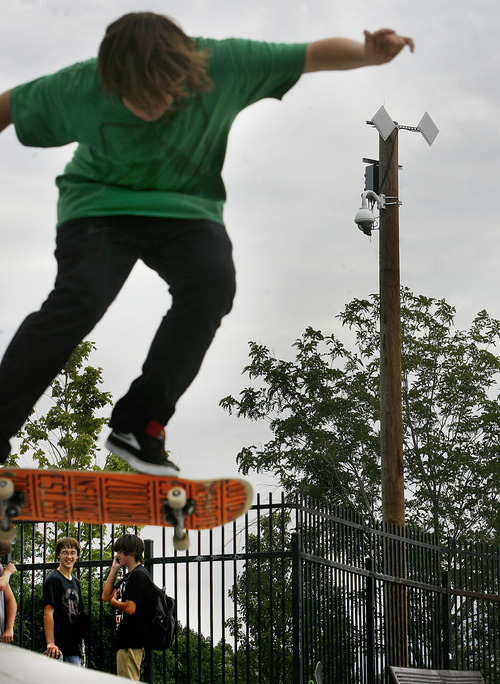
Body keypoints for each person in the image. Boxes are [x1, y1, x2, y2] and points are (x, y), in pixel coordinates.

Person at [0, 13, 414, 474]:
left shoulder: (223, 64)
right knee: (80, 298)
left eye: (160, 95)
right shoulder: (81, 84)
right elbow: (7, 107)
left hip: (185, 209)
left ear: (184, 74)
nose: (148, 107)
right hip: (98, 205)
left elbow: (312, 55)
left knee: (213, 285)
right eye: (134, 98)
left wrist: (368, 54)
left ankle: (140, 424)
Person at [101, 534, 157, 680]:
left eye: (120, 551)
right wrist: (114, 569)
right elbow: (106, 596)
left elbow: (130, 608)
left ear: (131, 552)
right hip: (125, 641)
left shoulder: (139, 575)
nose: (117, 555)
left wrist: (115, 603)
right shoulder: (129, 576)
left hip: (132, 641)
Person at [43, 536, 86, 665]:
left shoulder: (76, 582)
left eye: (73, 553)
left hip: (75, 648)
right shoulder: (53, 579)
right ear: (58, 555)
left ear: (77, 556)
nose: (69, 557)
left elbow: (80, 613)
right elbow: (48, 613)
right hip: (58, 648)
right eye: (65, 553)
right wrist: (50, 643)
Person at [0, 541, 17, 644]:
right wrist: (8, 572)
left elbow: (11, 600)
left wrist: (9, 628)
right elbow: (1, 585)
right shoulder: (4, 573)